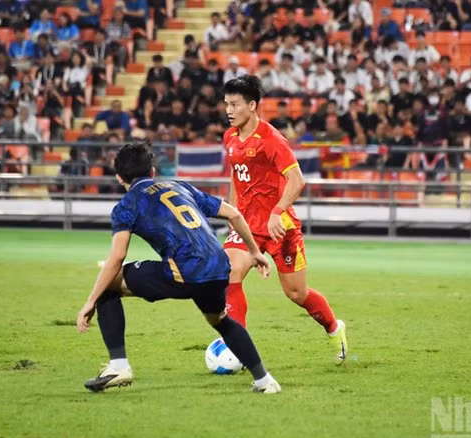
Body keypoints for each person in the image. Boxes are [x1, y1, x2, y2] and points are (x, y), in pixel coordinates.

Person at [76, 142, 281, 394]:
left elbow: (117, 257)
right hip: (218, 267)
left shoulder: (126, 206)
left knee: (108, 286)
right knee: (220, 320)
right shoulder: (179, 186)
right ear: (152, 171)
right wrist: (254, 251)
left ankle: (119, 366)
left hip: (184, 270)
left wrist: (90, 300)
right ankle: (264, 380)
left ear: (119, 178)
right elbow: (234, 215)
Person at [221, 76, 348, 364]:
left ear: (252, 105)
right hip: (247, 225)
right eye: (226, 104)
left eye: (235, 104)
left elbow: (297, 180)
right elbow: (236, 174)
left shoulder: (272, 140)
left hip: (280, 227)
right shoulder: (230, 137)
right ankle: (238, 350)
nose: (229, 110)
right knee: (230, 272)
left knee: (296, 293)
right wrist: (232, 212)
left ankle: (333, 327)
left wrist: (277, 212)